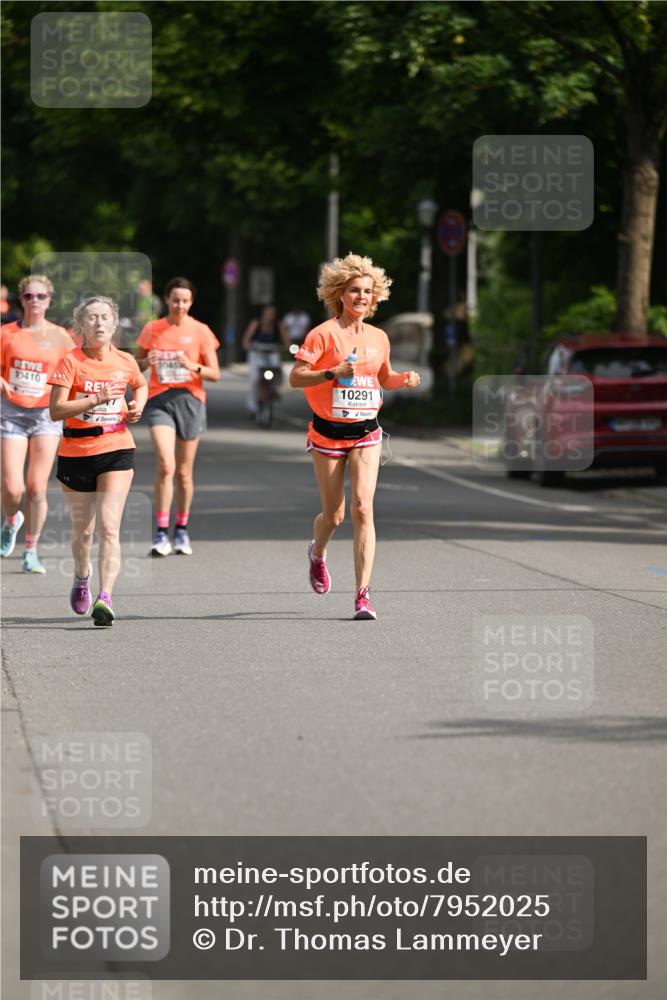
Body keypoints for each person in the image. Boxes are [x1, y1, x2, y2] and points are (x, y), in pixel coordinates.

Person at [289, 253, 421, 621]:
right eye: (354, 291)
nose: (361, 297)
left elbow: (384, 377)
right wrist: (330, 372)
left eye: (367, 292)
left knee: (364, 507)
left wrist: (403, 379)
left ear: (374, 297)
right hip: (327, 432)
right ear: (339, 295)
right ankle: (318, 552)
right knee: (334, 515)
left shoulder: (379, 337)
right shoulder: (323, 334)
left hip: (366, 432)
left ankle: (363, 595)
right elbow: (296, 377)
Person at [48, 296, 147, 626]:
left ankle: (105, 597)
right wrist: (94, 399)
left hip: (117, 447)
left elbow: (141, 384)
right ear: (81, 326)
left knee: (109, 527)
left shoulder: (126, 361)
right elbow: (55, 410)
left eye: (105, 317)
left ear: (115, 324)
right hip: (75, 452)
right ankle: (81, 575)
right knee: (84, 532)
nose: (99, 323)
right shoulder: (70, 361)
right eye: (92, 318)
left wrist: (137, 406)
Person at [136, 277, 220, 557]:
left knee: (184, 472)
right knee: (165, 464)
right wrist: (148, 362)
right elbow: (135, 365)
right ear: (167, 300)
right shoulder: (153, 329)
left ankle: (181, 530)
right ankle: (161, 533)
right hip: (160, 401)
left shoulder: (200, 331)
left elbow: (215, 374)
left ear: (191, 302)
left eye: (185, 300)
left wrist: (193, 365)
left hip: (191, 401)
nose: (180, 305)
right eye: (175, 300)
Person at [1, 274, 75, 572]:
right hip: (11, 413)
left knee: (36, 488)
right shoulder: (6, 333)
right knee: (12, 489)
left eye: (40, 297)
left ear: (49, 301)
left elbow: (74, 375)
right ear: (21, 300)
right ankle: (11, 521)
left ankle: (30, 550)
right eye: (29, 296)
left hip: (45, 414)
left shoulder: (60, 337)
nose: (34, 301)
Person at [241, 305, 290, 416]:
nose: (270, 316)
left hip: (272, 351)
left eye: (272, 314)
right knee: (255, 379)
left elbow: (286, 341)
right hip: (257, 352)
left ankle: (274, 390)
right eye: (268, 313)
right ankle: (253, 406)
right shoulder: (256, 323)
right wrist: (248, 346)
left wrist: (288, 347)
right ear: (263, 313)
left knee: (278, 371)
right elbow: (246, 340)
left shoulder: (278, 325)